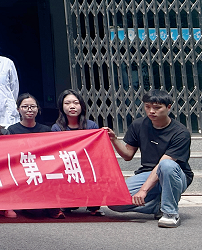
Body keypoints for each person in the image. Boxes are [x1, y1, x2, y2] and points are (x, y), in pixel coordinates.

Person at [106, 89, 193, 228]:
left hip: (175, 175)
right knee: (114, 201)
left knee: (166, 165)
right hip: (147, 173)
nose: (151, 111)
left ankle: (170, 213)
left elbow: (163, 165)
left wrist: (144, 190)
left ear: (168, 107)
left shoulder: (180, 132)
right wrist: (114, 140)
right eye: (147, 107)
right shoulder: (138, 125)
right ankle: (158, 206)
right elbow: (128, 155)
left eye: (157, 107)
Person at [50, 89, 102, 216]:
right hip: (67, 165)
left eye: (76, 103)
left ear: (81, 106)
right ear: (61, 107)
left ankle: (93, 204)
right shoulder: (56, 128)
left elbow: (96, 150)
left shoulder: (91, 126)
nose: (72, 106)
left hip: (86, 164)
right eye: (67, 103)